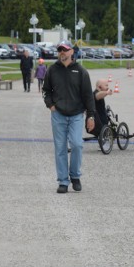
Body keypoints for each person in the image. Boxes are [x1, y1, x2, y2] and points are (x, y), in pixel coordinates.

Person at [42, 41, 95, 194]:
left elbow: (88, 96)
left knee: (77, 145)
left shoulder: (81, 71)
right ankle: (63, 181)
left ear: (72, 52)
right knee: (60, 148)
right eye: (60, 50)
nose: (62, 52)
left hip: (76, 114)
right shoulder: (52, 70)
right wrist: (50, 105)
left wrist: (90, 116)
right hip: (58, 114)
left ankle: (75, 176)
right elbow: (46, 90)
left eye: (65, 50)